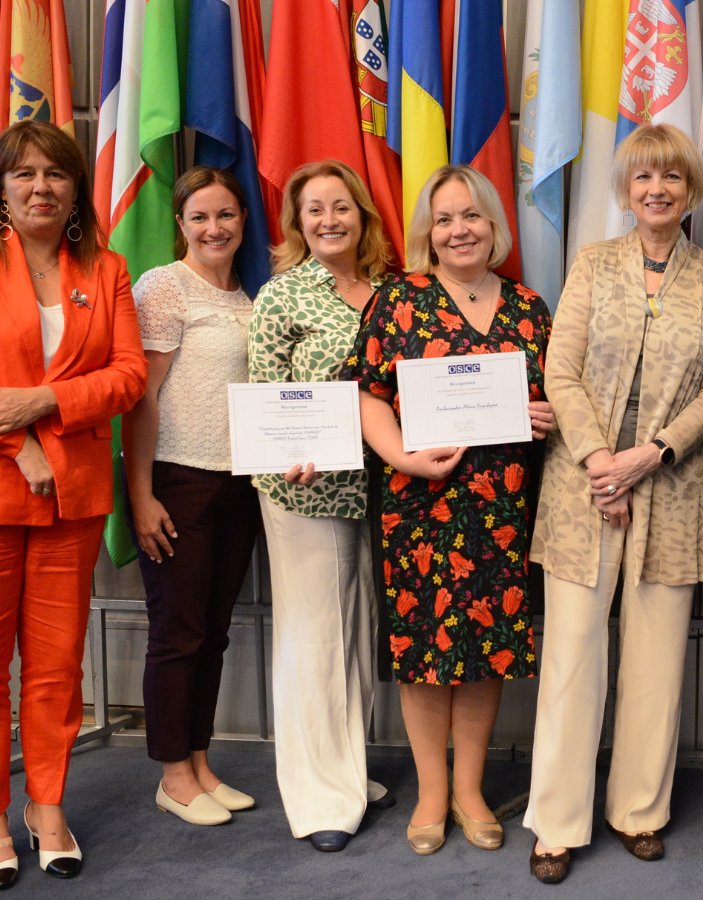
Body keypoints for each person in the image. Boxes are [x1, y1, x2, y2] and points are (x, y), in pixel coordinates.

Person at [0, 120, 147, 889]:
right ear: (1, 186)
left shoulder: (105, 269)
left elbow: (128, 376)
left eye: (56, 173)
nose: (41, 186)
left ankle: (47, 806)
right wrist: (22, 444)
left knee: (55, 669)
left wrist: (43, 401)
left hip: (70, 503)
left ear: (77, 188)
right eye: (24, 173)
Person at [523, 123, 703, 884]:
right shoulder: (593, 262)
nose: (657, 189)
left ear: (690, 189)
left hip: (671, 484)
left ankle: (639, 811)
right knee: (572, 658)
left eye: (671, 177)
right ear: (626, 189)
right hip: (582, 484)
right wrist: (600, 462)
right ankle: (557, 823)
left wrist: (651, 454)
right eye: (644, 177)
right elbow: (560, 371)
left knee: (656, 661)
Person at [342, 164, 556, 856]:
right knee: (424, 648)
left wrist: (545, 414)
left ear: (493, 226)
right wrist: (402, 457)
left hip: (502, 508)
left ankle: (470, 789)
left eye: (471, 216)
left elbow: (555, 395)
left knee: (487, 647)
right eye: (444, 219)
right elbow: (366, 394)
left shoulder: (529, 308)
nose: (459, 229)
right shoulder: (398, 300)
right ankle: (432, 792)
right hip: (418, 504)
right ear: (427, 232)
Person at [247, 160, 398, 852]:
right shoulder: (282, 296)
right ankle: (318, 800)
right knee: (315, 640)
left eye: (341, 206)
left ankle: (346, 770)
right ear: (296, 222)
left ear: (362, 214)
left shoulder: (393, 292)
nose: (330, 220)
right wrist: (289, 450)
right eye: (315, 209)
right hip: (307, 490)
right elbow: (265, 394)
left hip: (386, 490)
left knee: (357, 632)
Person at [123, 166, 263, 827]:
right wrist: (141, 494)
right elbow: (141, 400)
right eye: (200, 217)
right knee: (177, 634)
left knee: (213, 633)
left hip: (239, 483)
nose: (214, 228)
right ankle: (173, 775)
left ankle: (200, 763)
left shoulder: (248, 296)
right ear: (180, 223)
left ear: (243, 219)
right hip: (177, 480)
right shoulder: (163, 287)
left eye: (226, 214)